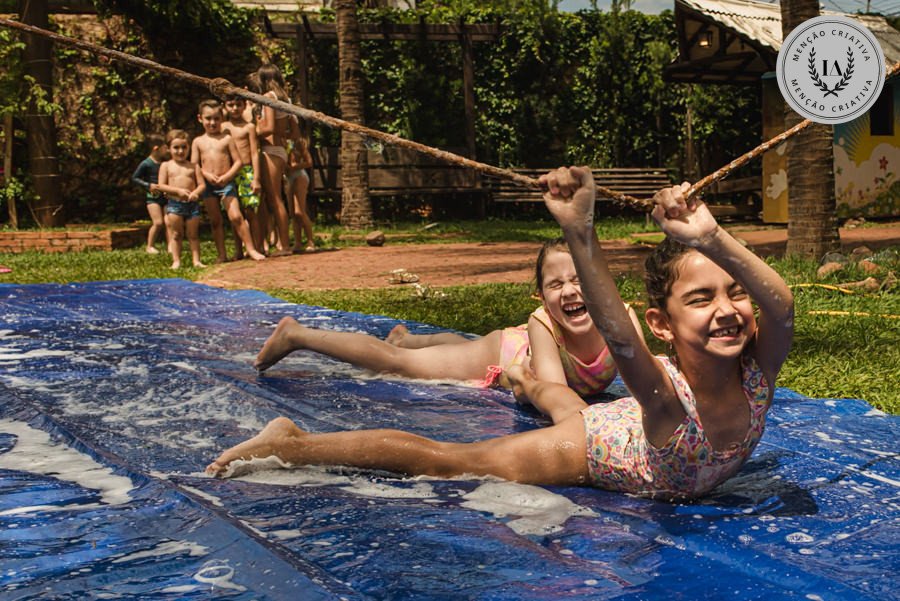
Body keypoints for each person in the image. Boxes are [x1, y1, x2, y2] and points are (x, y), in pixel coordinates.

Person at [208, 168, 794, 500]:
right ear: (662, 324)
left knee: (553, 393)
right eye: (701, 297)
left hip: (609, 421)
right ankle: (291, 442)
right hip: (597, 447)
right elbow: (620, 342)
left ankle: (523, 382)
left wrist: (712, 239)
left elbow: (783, 306)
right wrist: (582, 236)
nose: (727, 309)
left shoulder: (756, 374)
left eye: (734, 292)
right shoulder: (667, 404)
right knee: (448, 462)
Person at [251, 237, 641, 400]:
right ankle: (297, 334)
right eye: (556, 285)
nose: (570, 291)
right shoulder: (543, 323)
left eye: (580, 280)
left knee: (459, 347)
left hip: (511, 346)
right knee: (399, 364)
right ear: (541, 297)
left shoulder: (623, 320)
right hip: (507, 353)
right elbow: (558, 400)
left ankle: (409, 338)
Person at [191, 98, 265, 263]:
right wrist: (206, 175)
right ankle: (222, 254)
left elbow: (238, 161)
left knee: (236, 217)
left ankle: (251, 249)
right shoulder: (198, 141)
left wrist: (227, 176)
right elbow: (194, 164)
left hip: (227, 183)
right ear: (200, 119)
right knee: (216, 221)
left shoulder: (227, 138)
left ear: (221, 119)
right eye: (208, 119)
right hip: (209, 186)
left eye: (216, 119)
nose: (212, 122)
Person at [251, 64, 293, 256]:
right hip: (280, 150)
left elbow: (268, 127)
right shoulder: (285, 98)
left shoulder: (268, 97)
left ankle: (284, 245)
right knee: (275, 198)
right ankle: (275, 243)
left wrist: (251, 132)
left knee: (275, 198)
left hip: (271, 150)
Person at [156, 130, 206, 270]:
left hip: (192, 204)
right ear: (169, 149)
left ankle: (196, 260)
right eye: (176, 147)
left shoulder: (193, 166)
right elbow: (161, 186)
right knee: (176, 234)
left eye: (184, 147)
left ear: (189, 147)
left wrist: (196, 193)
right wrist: (177, 191)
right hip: (175, 205)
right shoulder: (166, 166)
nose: (180, 151)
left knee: (193, 234)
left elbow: (202, 184)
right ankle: (176, 261)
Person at [222, 94, 264, 259]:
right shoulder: (223, 127)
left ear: (244, 106)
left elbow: (254, 153)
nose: (234, 109)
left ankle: (257, 247)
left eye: (238, 105)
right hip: (229, 172)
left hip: (246, 172)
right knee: (234, 214)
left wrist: (256, 177)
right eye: (231, 105)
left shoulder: (249, 127)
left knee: (251, 212)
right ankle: (239, 250)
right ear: (224, 106)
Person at [130, 133, 169, 254]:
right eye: (165, 147)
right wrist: (148, 185)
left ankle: (171, 246)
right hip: (152, 198)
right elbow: (135, 178)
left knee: (169, 223)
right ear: (156, 148)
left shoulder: (164, 163)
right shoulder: (146, 163)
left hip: (165, 196)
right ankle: (150, 246)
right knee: (158, 223)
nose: (167, 150)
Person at [285, 133, 316, 253]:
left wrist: (295, 166)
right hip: (288, 178)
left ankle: (310, 241)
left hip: (299, 175)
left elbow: (309, 162)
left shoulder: (297, 143)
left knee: (299, 211)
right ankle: (298, 243)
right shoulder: (280, 142)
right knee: (293, 213)